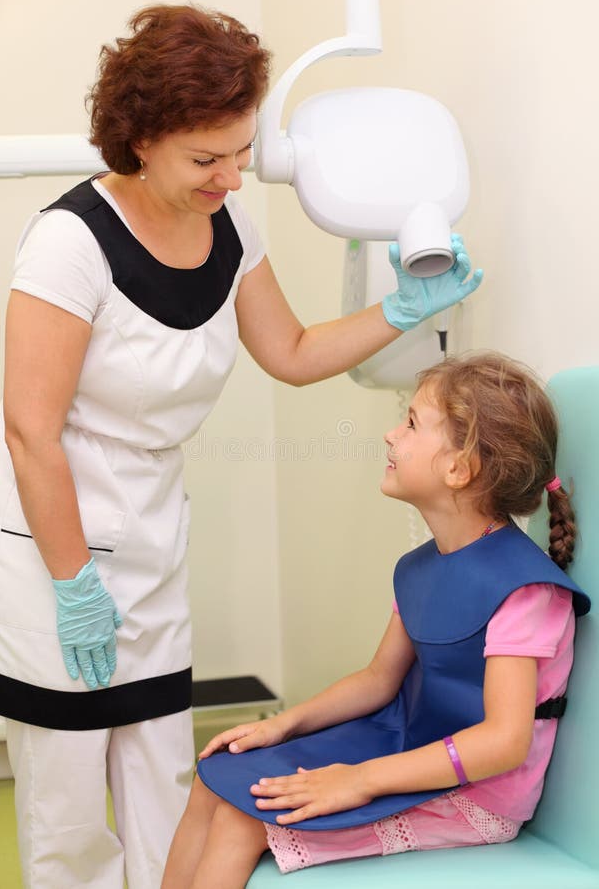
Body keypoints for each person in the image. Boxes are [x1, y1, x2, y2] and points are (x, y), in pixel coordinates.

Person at [0, 2, 483, 889]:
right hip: (53, 537)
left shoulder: (229, 227)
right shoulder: (69, 244)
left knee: (162, 775)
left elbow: (291, 355)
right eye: (205, 157)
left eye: (242, 151)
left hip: (150, 528)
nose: (231, 176)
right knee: (66, 805)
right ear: (139, 138)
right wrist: (71, 585)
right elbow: (30, 431)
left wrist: (401, 313)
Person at [162, 351, 591, 888]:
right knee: (214, 780)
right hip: (407, 745)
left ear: (460, 468)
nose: (392, 434)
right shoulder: (420, 567)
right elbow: (377, 679)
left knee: (241, 819)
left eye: (411, 423)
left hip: (476, 795)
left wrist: (360, 780)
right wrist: (282, 725)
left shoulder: (524, 590)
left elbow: (504, 741)